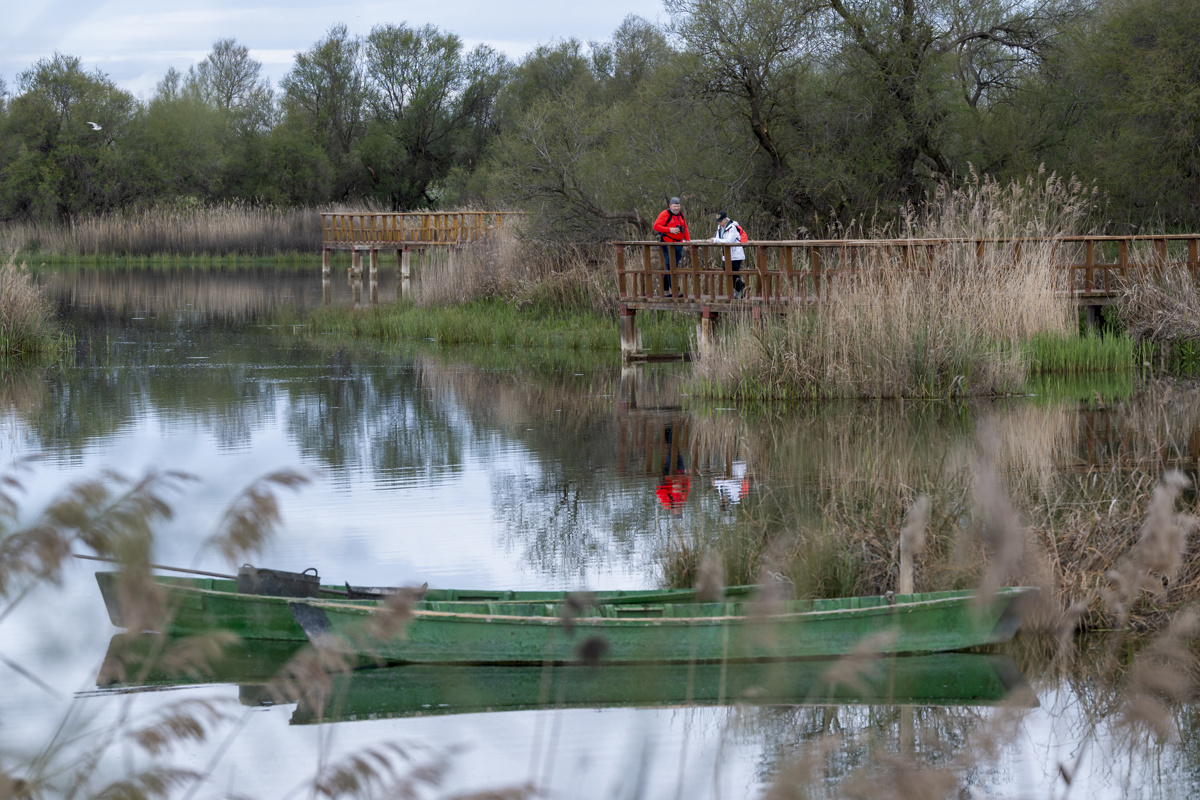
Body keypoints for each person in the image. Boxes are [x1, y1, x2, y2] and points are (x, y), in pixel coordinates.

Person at [653, 197, 690, 297]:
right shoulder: (665, 214)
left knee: (674, 266)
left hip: (678, 243)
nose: (677, 208)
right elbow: (656, 226)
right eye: (675, 206)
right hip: (667, 243)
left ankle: (665, 290)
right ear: (670, 206)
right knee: (670, 265)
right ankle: (674, 290)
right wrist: (670, 230)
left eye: (678, 206)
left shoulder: (681, 214)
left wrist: (688, 241)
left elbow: (684, 227)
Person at [712, 212, 746, 298]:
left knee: (734, 273)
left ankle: (737, 291)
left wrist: (716, 240)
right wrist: (715, 240)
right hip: (726, 254)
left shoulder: (732, 227)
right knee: (727, 271)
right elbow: (718, 238)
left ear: (725, 219)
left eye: (720, 221)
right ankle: (741, 287)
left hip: (735, 254)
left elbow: (729, 240)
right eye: (718, 221)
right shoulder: (719, 227)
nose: (719, 223)